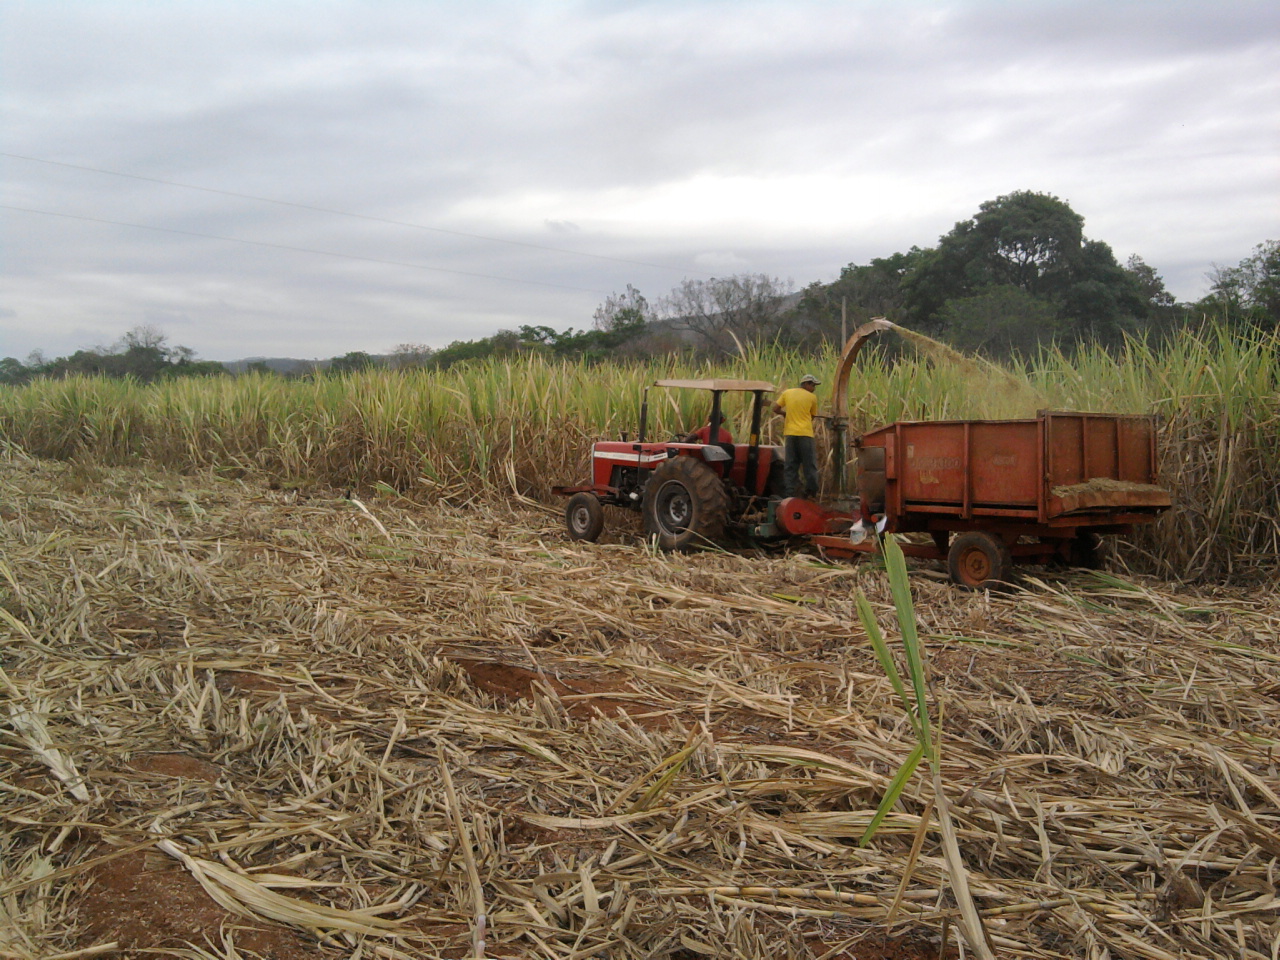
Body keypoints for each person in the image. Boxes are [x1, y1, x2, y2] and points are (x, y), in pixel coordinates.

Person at [773, 374, 821, 498]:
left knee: (790, 465)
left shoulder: (787, 393)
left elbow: (775, 408)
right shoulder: (812, 397)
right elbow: (812, 416)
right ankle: (811, 492)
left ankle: (789, 493)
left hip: (790, 434)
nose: (814, 388)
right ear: (806, 384)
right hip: (805, 434)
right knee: (809, 464)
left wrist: (785, 414)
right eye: (812, 385)